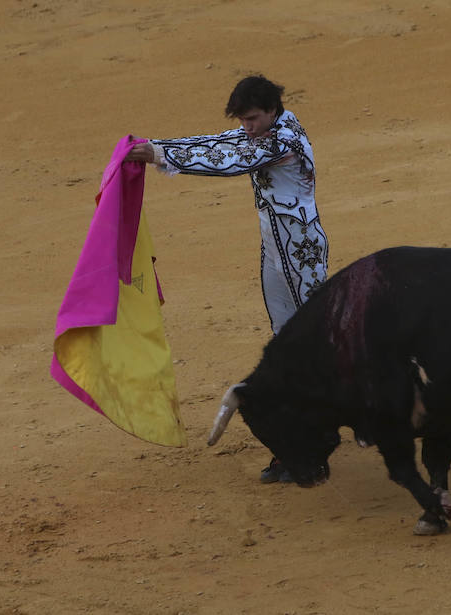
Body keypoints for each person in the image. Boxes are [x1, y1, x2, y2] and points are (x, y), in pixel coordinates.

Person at [125, 75, 328, 484]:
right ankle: (298, 444)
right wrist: (157, 147)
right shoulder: (268, 127)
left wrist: (159, 155)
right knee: (285, 341)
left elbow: (230, 161)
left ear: (271, 110)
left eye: (252, 118)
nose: (246, 126)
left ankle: (328, 437)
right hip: (277, 245)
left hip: (300, 251)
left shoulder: (280, 141)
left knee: (313, 343)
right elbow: (222, 142)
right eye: (243, 119)